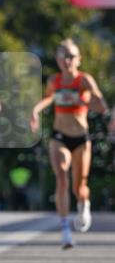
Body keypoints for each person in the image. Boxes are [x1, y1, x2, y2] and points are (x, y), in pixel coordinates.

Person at [30, 39, 109, 249]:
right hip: (59, 136)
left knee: (79, 186)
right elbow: (49, 98)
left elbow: (101, 105)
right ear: (57, 59)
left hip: (81, 139)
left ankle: (84, 204)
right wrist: (36, 110)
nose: (67, 60)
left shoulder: (84, 80)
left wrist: (87, 102)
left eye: (71, 56)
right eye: (63, 56)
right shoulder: (54, 80)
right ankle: (65, 231)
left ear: (79, 59)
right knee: (62, 178)